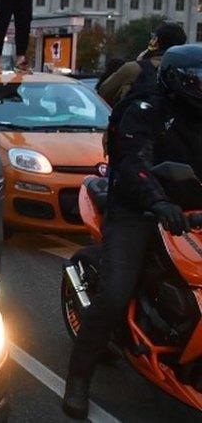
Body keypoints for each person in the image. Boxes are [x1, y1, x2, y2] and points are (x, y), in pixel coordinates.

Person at [62, 44, 202, 419]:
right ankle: (77, 380)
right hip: (138, 210)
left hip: (193, 213)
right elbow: (133, 161)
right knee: (114, 292)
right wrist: (158, 201)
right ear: (177, 79)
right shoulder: (144, 110)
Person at [97, 22, 187, 106]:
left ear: (155, 42)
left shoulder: (134, 68)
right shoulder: (185, 73)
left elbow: (103, 92)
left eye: (153, 37)